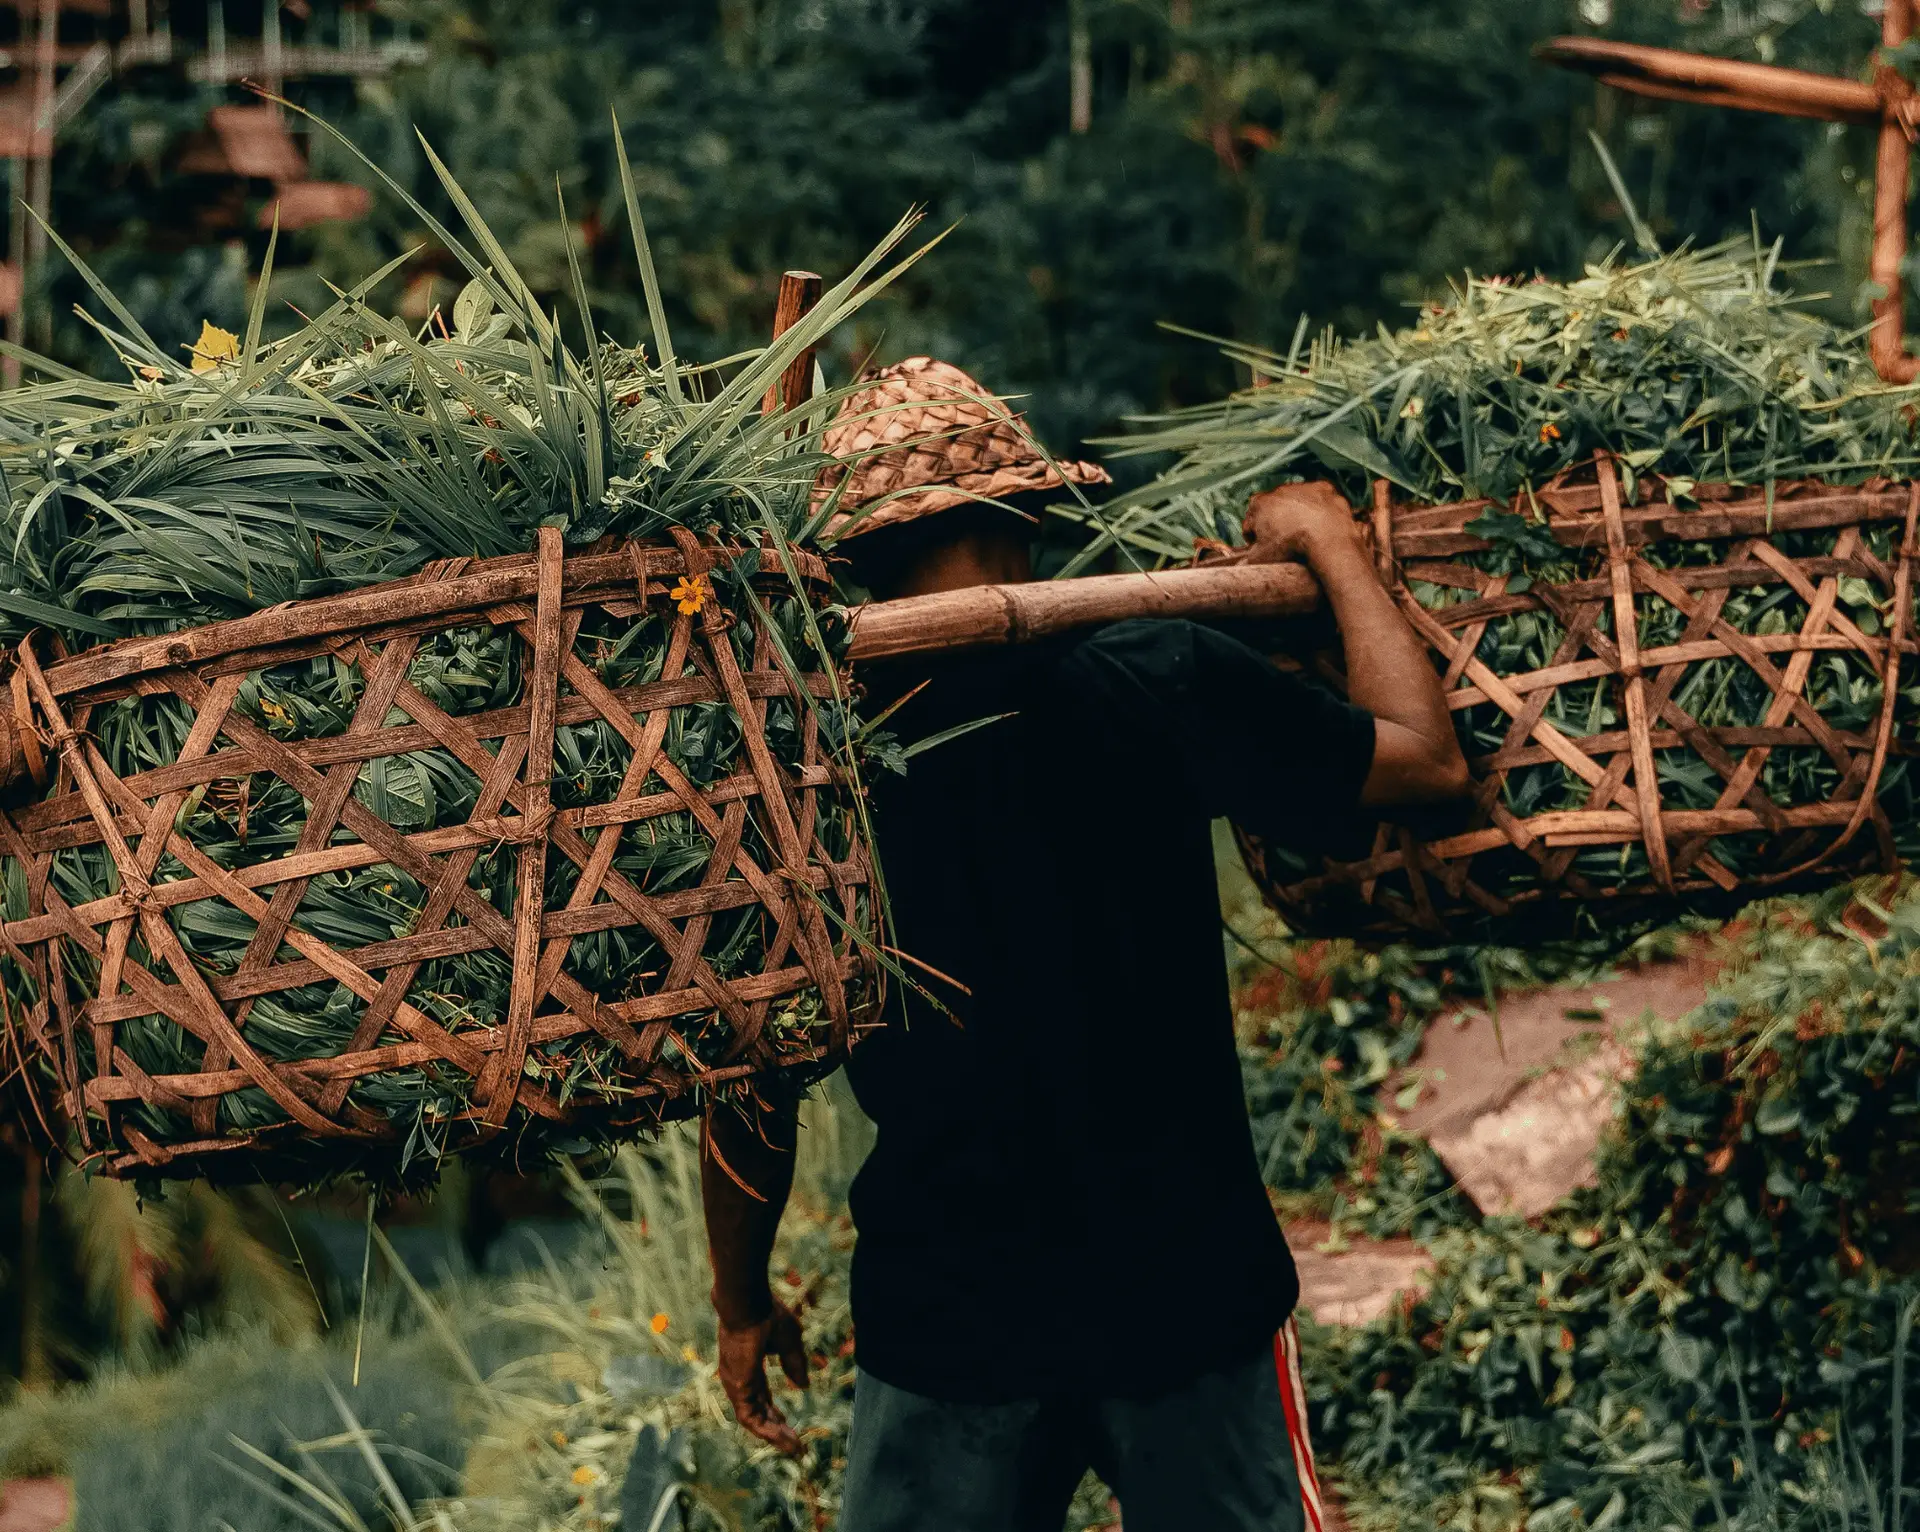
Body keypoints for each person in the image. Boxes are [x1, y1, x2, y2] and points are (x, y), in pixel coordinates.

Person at [700, 358, 1469, 1532]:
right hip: (1188, 1293)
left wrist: (740, 1301)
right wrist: (1328, 539)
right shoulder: (1161, 675)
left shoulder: (809, 772)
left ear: (846, 559)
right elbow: (1426, 758)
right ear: (1028, 512)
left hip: (950, 1318)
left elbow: (750, 1079)